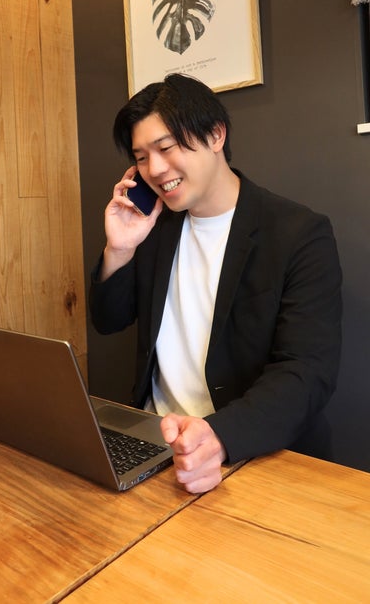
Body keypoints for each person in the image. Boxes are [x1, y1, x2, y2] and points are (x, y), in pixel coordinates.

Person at [89, 73, 342, 494]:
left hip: (248, 452)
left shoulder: (298, 233)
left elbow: (306, 372)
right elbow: (108, 320)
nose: (155, 170)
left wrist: (219, 435)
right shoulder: (153, 225)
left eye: (166, 147)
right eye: (142, 157)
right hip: (155, 445)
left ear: (216, 135)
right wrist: (120, 248)